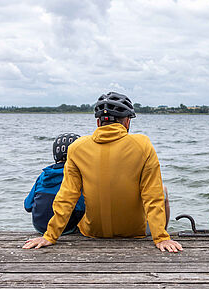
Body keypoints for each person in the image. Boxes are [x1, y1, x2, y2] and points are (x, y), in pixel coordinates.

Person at [23, 91, 183, 253]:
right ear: (127, 122)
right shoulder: (143, 145)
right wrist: (161, 237)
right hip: (134, 232)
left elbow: (67, 196)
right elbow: (152, 196)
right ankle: (162, 236)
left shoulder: (77, 148)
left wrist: (49, 236)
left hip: (93, 232)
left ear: (99, 122)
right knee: (162, 191)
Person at [24, 133, 85, 235]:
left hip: (39, 226)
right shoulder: (78, 177)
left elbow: (27, 205)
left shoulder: (44, 175)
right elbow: (81, 207)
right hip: (66, 228)